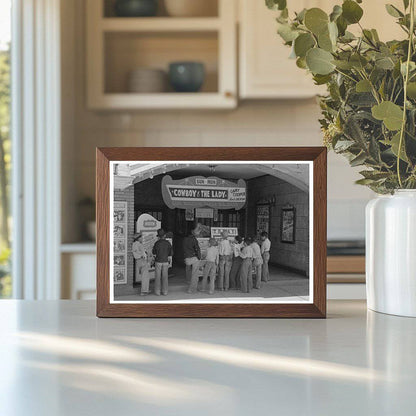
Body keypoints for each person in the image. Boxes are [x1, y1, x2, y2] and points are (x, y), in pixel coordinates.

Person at [152, 229, 173, 296]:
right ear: (164, 235)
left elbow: (153, 252)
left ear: (158, 236)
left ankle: (157, 291)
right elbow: (171, 253)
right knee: (165, 277)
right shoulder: (168, 243)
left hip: (158, 261)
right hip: (165, 261)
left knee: (158, 277)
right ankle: (165, 291)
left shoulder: (157, 243)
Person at [183, 227, 201, 294]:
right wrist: (199, 257)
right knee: (195, 274)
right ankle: (192, 289)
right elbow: (197, 249)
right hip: (194, 258)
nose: (198, 233)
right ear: (193, 232)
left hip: (187, 258)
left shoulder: (184, 239)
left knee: (188, 270)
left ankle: (188, 281)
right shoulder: (194, 239)